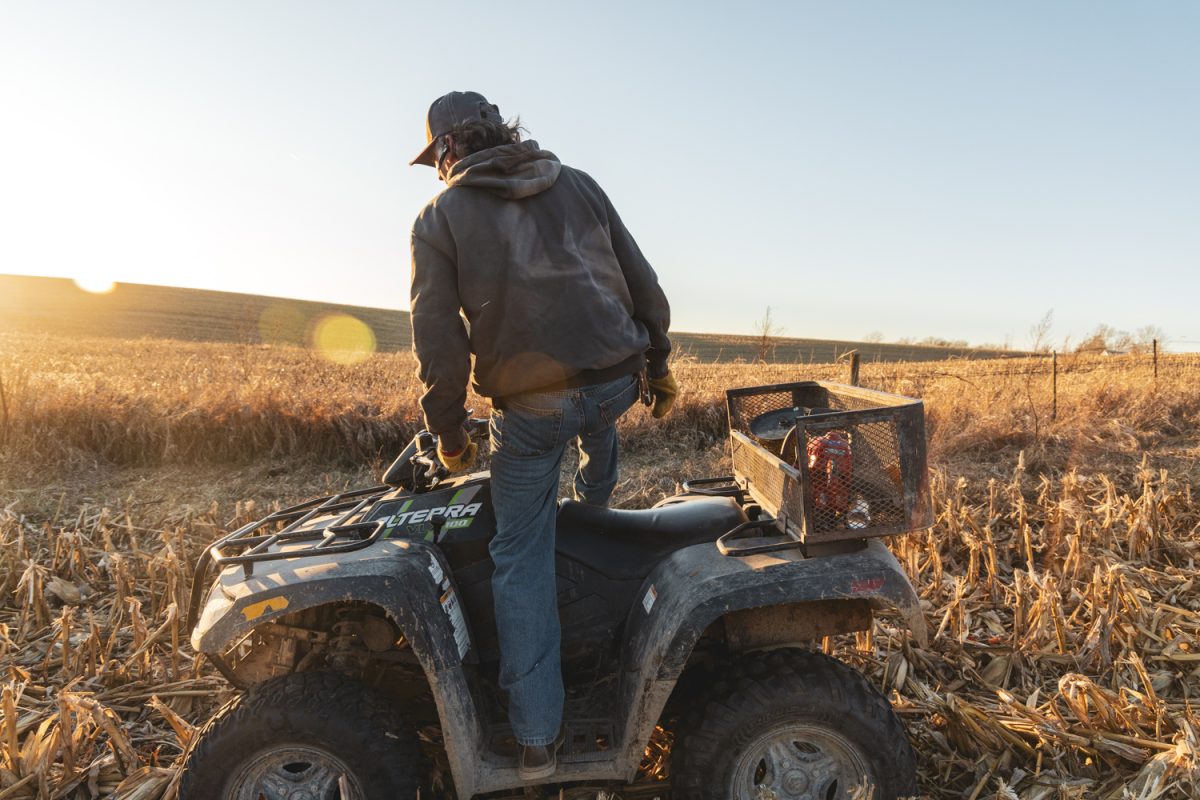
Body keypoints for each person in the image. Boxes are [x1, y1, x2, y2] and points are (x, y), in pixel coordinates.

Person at [408, 91, 676, 780]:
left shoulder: (441, 216)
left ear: (446, 151)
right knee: (596, 424)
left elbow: (439, 343)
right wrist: (659, 367)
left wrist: (449, 436)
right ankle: (595, 526)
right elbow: (642, 283)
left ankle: (535, 737)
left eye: (435, 157)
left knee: (519, 551)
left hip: (534, 411)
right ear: (502, 131)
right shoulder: (579, 183)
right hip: (618, 379)